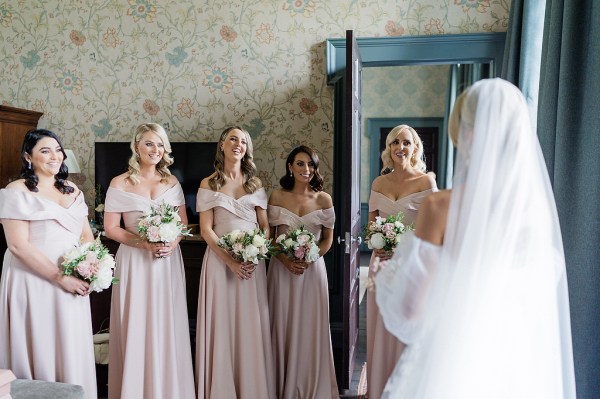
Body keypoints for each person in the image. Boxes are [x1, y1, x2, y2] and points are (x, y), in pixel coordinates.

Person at [375, 78, 576, 398]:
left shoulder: (441, 206)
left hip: (450, 359)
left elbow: (409, 313)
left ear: (468, 135)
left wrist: (389, 279)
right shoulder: (535, 214)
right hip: (517, 366)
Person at [0, 129, 97, 398]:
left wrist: (92, 268)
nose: (55, 156)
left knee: (70, 343)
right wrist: (59, 277)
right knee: (40, 342)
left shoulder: (72, 189)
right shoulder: (16, 190)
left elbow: (85, 235)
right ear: (27, 157)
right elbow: (18, 245)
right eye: (45, 150)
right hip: (34, 279)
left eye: (57, 149)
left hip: (73, 279)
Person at [104, 123, 195, 399]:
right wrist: (143, 243)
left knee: (166, 322)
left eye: (159, 144)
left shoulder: (172, 182)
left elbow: (182, 223)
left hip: (166, 262)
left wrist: (170, 243)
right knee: (136, 321)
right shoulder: (119, 183)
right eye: (148, 144)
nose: (155, 150)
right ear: (136, 147)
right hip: (134, 261)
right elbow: (112, 228)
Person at [195, 126, 275, 399]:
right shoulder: (209, 184)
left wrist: (255, 251)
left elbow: (265, 227)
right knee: (223, 324)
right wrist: (230, 261)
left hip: (252, 265)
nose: (238, 144)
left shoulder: (256, 185)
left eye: (243, 141)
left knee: (251, 324)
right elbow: (206, 230)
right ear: (222, 144)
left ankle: (252, 388)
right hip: (220, 264)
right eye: (233, 139)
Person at [366, 124, 437, 399]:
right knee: (381, 323)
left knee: (407, 323)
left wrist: (405, 247)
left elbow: (433, 227)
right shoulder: (378, 183)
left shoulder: (425, 183)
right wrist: (377, 242)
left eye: (406, 142)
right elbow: (372, 224)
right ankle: (379, 388)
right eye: (395, 143)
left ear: (415, 148)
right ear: (388, 148)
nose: (400, 148)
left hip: (411, 266)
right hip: (380, 262)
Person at [267, 145, 339, 398]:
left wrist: (310, 258)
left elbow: (328, 239)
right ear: (290, 166)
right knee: (281, 323)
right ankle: (280, 383)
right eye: (300, 163)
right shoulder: (276, 196)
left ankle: (310, 383)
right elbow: (272, 238)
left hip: (312, 272)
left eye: (310, 164)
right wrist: (286, 261)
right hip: (281, 271)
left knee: (310, 325)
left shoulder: (324, 199)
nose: (306, 169)